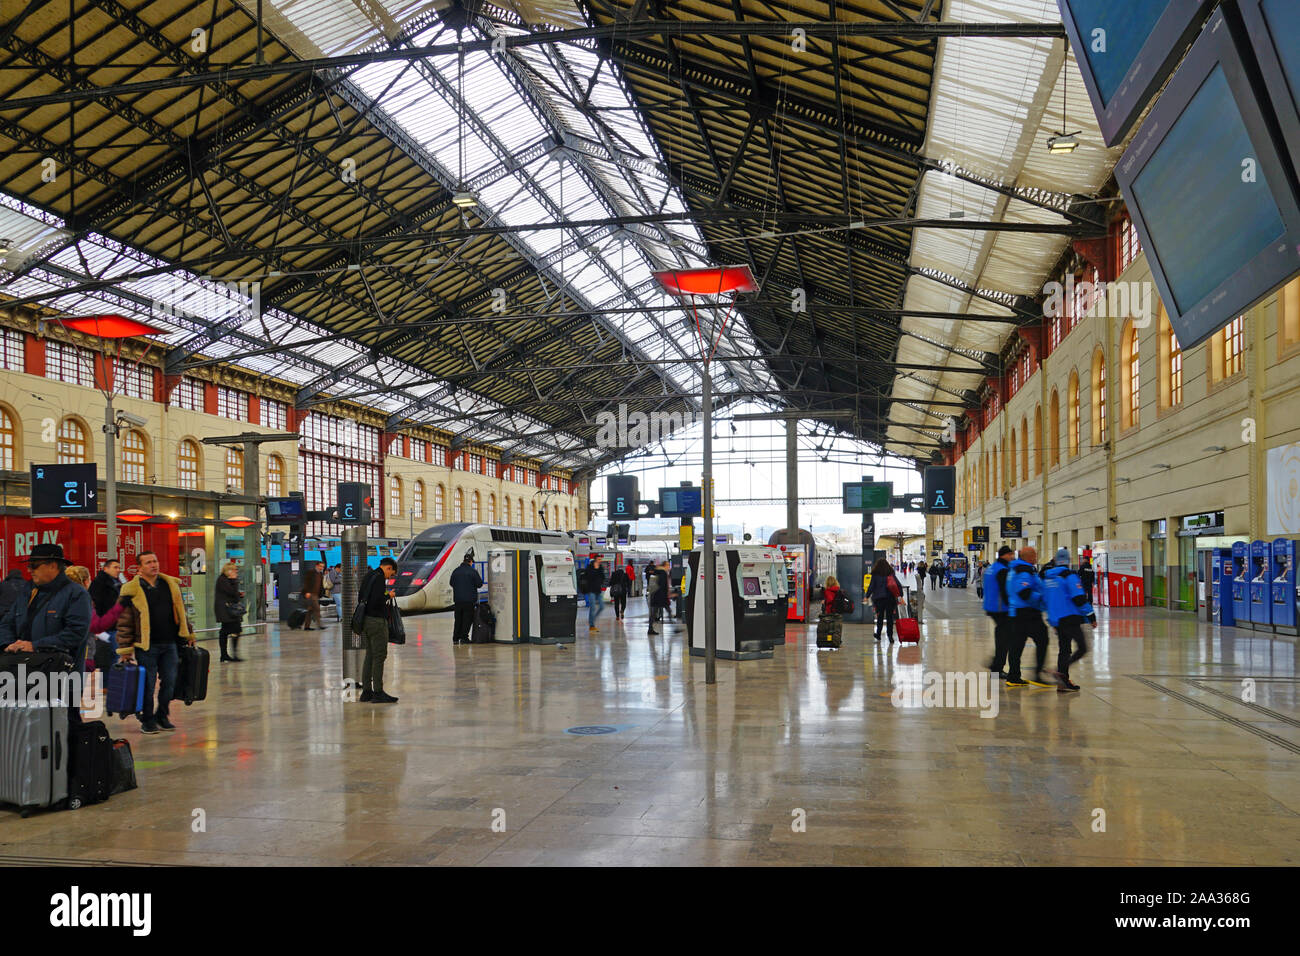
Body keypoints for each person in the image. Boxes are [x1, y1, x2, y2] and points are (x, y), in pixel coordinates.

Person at [116, 551, 195, 733]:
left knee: (170, 682)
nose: (154, 565)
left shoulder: (169, 585)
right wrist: (125, 648)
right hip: (147, 645)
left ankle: (162, 715)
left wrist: (188, 634)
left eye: (155, 561)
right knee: (148, 684)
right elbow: (124, 621)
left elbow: (180, 613)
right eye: (149, 562)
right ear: (139, 568)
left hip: (170, 643)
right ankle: (148, 719)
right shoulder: (131, 589)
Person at [0, 545, 92, 666]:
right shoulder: (27, 591)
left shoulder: (76, 594)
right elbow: (6, 623)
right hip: (24, 673)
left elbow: (76, 633)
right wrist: (8, 645)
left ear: (53, 566)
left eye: (34, 565)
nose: (29, 570)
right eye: (29, 565)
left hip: (61, 676)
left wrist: (35, 646)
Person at [1043, 548, 1095, 692]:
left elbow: (1045, 601)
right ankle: (1059, 672)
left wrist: (1052, 619)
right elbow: (1078, 598)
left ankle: (1063, 683)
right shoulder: (1069, 577)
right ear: (1068, 560)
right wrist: (1091, 616)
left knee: (1064, 650)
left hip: (1057, 620)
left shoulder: (1048, 579)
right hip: (1070, 618)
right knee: (1083, 648)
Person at [1004, 546, 1051, 688]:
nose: (1036, 556)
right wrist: (1042, 598)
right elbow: (1024, 592)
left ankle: (1013, 676)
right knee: (1042, 640)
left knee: (1016, 646)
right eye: (1034, 554)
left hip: (1016, 612)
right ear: (1028, 556)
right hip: (1028, 613)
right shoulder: (1024, 571)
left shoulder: (1013, 569)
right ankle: (1037, 675)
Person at [358, 557, 399, 702]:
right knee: (379, 656)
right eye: (391, 574)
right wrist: (389, 595)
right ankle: (378, 692)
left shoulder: (369, 575)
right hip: (376, 621)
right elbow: (377, 601)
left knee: (369, 655)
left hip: (366, 621)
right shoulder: (380, 578)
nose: (390, 577)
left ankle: (366, 692)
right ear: (388, 568)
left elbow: (361, 597)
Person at [983, 546, 1015, 680]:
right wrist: (1012, 606)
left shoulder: (992, 568)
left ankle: (995, 664)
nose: (1013, 557)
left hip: (991, 607)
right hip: (1001, 608)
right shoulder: (1002, 570)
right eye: (1011, 554)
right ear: (1005, 555)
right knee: (1004, 639)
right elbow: (1005, 590)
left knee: (1002, 637)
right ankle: (997, 668)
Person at [214, 561, 245, 662]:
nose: (236, 572)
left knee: (227, 631)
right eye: (235, 570)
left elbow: (232, 594)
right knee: (232, 630)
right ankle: (228, 654)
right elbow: (232, 592)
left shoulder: (226, 580)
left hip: (228, 610)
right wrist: (235, 581)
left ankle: (225, 655)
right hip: (226, 611)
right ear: (229, 571)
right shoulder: (223, 580)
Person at [449, 553, 483, 645]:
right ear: (471, 562)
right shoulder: (473, 572)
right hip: (469, 600)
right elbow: (479, 584)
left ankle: (455, 638)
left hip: (458, 600)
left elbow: (451, 583)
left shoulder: (456, 571)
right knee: (467, 620)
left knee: (458, 619)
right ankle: (464, 638)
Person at [868, 558, 901, 643]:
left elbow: (871, 586)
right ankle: (890, 636)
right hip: (890, 598)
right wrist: (900, 595)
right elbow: (897, 584)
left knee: (880, 617)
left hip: (879, 599)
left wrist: (867, 595)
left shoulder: (875, 574)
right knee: (890, 617)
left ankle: (878, 634)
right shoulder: (890, 573)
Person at [581, 555, 607, 633]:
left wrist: (601, 582)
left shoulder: (601, 568)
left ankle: (592, 620)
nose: (600, 561)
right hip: (591, 590)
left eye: (601, 559)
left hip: (598, 590)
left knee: (602, 606)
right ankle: (592, 625)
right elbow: (587, 577)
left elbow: (603, 577)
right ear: (595, 560)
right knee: (592, 608)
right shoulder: (589, 567)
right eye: (599, 559)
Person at [300, 560, 324, 630]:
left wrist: (321, 594)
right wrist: (306, 592)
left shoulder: (320, 574)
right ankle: (320, 625)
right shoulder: (311, 572)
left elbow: (320, 585)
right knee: (317, 609)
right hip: (311, 594)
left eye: (322, 567)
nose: (321, 568)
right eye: (320, 566)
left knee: (310, 611)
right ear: (316, 566)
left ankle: (307, 626)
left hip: (316, 595)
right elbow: (306, 582)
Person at [648, 561, 670, 635]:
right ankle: (650, 629)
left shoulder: (658, 572)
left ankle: (650, 629)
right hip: (660, 596)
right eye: (668, 565)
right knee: (655, 613)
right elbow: (662, 585)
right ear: (664, 566)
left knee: (654, 613)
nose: (669, 567)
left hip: (656, 595)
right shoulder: (663, 573)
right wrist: (666, 595)